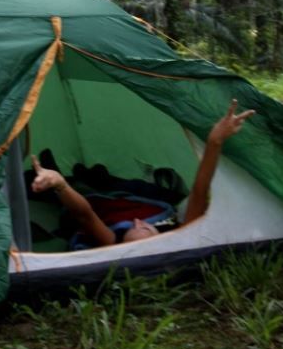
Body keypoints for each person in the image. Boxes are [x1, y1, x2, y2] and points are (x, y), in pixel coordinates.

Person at [30, 99, 256, 247]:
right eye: (145, 230)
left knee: (78, 194)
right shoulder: (183, 233)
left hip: (99, 205)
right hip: (133, 198)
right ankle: (81, 175)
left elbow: (85, 215)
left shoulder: (111, 241)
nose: (138, 222)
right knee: (114, 186)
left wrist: (60, 184)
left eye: (133, 228)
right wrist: (215, 141)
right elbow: (199, 191)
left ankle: (58, 177)